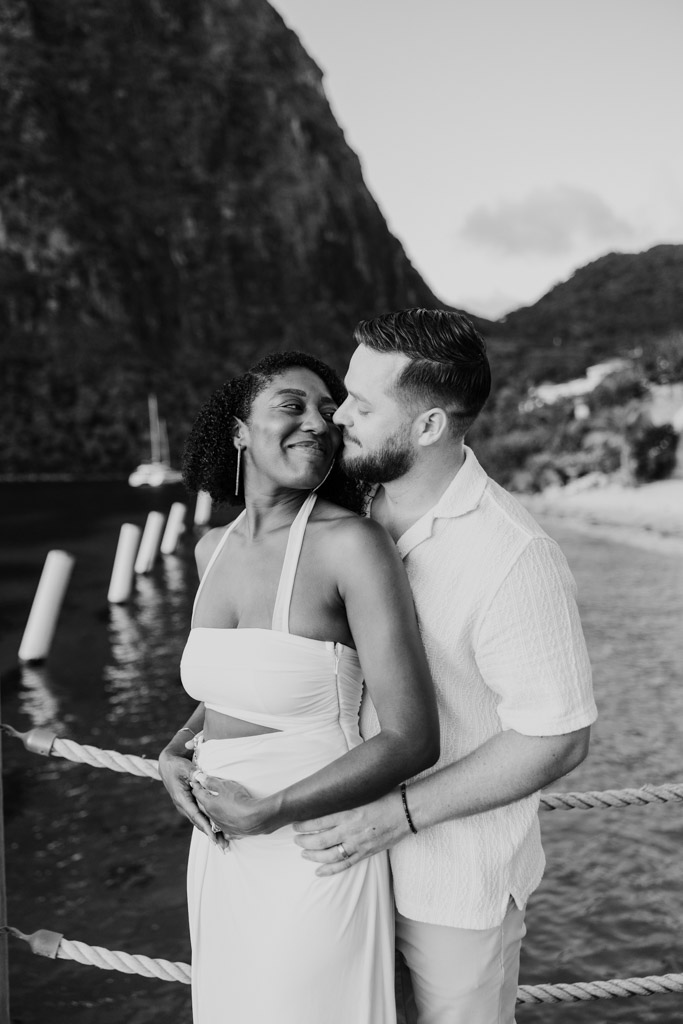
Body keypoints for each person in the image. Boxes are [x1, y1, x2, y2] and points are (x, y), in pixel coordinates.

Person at [293, 309, 598, 1024]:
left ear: (428, 426)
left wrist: (396, 816)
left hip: (453, 894)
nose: (338, 414)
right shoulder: (344, 510)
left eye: (364, 406)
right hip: (335, 876)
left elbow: (557, 737)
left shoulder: (513, 556)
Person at [158, 351, 439, 1024]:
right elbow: (235, 686)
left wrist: (272, 810)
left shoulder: (351, 545)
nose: (316, 422)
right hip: (221, 850)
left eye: (327, 409)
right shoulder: (209, 548)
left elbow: (411, 737)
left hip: (311, 847)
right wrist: (175, 751)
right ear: (237, 431)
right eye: (291, 405)